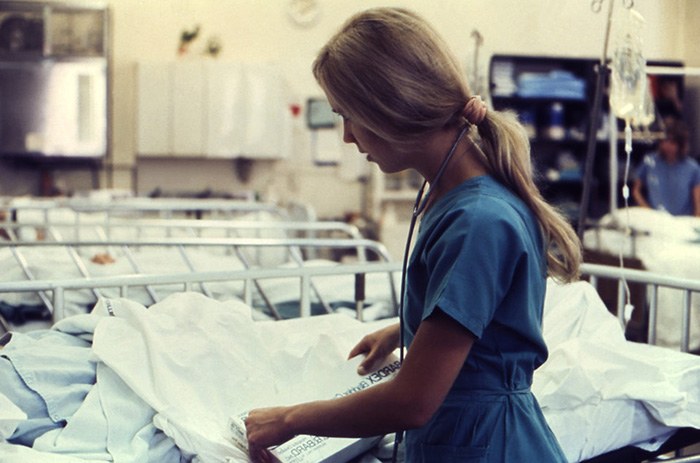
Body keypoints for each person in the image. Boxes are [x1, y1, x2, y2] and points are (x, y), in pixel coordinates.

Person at [245, 7, 582, 463]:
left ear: (390, 107)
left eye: (347, 115)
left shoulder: (478, 220)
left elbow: (414, 401)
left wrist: (289, 420)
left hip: (491, 448)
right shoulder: (455, 199)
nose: (346, 136)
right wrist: (404, 330)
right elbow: (480, 320)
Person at [632, 119, 700, 216]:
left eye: (672, 142)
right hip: (656, 220)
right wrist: (648, 211)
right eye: (664, 141)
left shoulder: (693, 168)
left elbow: (698, 204)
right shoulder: (649, 161)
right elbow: (636, 191)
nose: (666, 146)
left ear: (681, 144)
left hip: (682, 221)